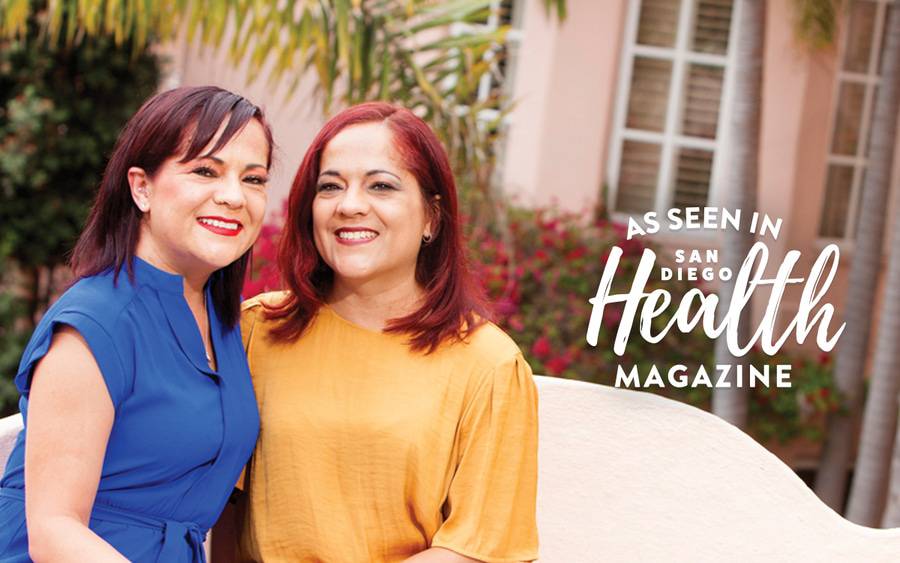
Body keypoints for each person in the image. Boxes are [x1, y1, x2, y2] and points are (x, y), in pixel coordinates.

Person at [237, 102, 539, 562]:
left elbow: (479, 550)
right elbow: (221, 505)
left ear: (432, 218)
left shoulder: (488, 364)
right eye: (330, 186)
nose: (350, 205)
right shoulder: (258, 330)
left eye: (381, 185)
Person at [0, 86, 272, 562]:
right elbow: (53, 531)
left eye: (253, 179)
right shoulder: (96, 324)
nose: (233, 196)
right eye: (205, 171)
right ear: (141, 187)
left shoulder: (223, 320)